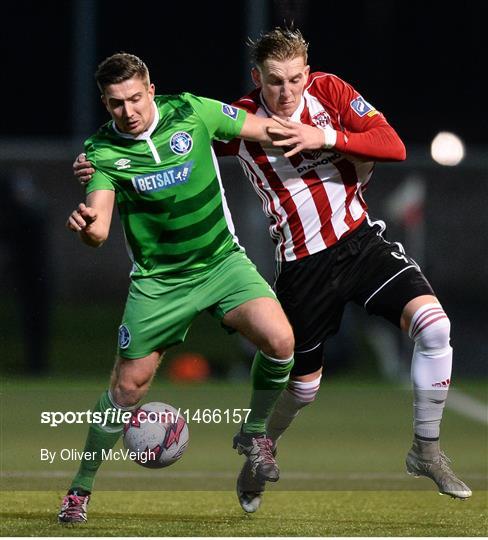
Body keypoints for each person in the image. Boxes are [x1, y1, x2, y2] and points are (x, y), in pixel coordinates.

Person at [73, 29, 472, 513]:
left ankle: (425, 450)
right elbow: (171, 143)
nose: (288, 93)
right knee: (303, 387)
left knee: (434, 326)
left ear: (308, 71)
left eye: (296, 79)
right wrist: (100, 163)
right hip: (302, 266)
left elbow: (392, 144)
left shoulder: (329, 92)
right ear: (257, 77)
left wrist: (323, 135)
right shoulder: (237, 117)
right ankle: (260, 447)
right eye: (276, 82)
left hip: (360, 240)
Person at [59, 51, 324, 524]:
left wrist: (321, 136)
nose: (129, 111)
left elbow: (260, 129)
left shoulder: (192, 111)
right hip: (159, 284)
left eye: (136, 98)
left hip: (221, 263)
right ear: (105, 103)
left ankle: (255, 433)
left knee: (282, 341)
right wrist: (85, 225)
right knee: (126, 390)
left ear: (151, 90)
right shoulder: (102, 152)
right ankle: (79, 491)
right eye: (117, 103)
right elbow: (98, 229)